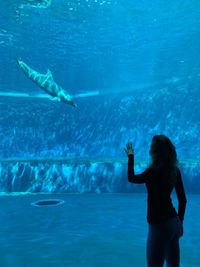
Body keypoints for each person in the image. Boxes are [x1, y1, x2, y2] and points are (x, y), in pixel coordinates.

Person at [124, 135, 187, 267]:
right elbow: (183, 200)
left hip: (159, 226)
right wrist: (180, 221)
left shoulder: (151, 173)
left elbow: (131, 178)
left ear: (154, 152)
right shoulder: (175, 171)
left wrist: (130, 156)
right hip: (174, 223)